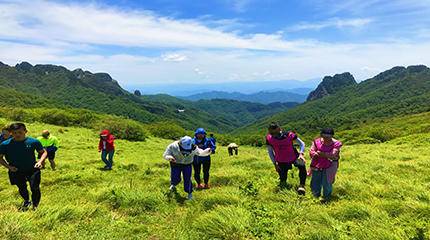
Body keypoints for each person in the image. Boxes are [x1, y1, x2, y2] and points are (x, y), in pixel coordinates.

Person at [0, 123, 47, 211]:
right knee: (21, 187)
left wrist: (40, 161)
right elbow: (0, 157)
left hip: (32, 169)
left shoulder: (33, 142)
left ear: (25, 131)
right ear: (11, 133)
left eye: (20, 132)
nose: (17, 135)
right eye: (14, 133)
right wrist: (9, 167)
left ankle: (35, 206)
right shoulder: (5, 144)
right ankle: (26, 200)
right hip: (15, 170)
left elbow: (43, 152)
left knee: (35, 187)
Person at [163, 136, 212, 200]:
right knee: (175, 177)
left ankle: (189, 194)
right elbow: (166, 154)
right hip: (175, 163)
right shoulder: (173, 146)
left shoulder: (194, 147)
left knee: (187, 178)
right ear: (180, 144)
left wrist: (206, 151)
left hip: (187, 164)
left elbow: (200, 153)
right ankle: (173, 185)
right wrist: (169, 157)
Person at [266, 122, 307, 194]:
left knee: (302, 165)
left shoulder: (289, 135)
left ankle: (302, 185)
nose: (274, 135)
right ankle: (283, 183)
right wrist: (275, 164)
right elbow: (270, 152)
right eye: (272, 133)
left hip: (294, 156)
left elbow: (302, 143)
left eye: (275, 132)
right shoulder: (269, 138)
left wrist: (301, 154)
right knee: (283, 179)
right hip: (281, 159)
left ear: (279, 129)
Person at [309, 128, 343, 203]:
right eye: (324, 136)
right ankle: (315, 196)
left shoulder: (336, 143)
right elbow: (311, 151)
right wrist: (317, 154)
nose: (326, 138)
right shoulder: (316, 141)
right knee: (315, 180)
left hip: (330, 165)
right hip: (317, 164)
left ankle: (326, 198)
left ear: (332, 136)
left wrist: (321, 154)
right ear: (321, 135)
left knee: (327, 182)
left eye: (328, 137)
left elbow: (333, 155)